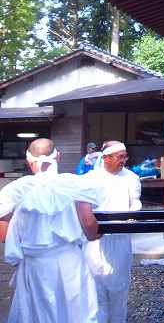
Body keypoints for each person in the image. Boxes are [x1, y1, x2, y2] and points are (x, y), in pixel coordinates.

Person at [0, 138, 105, 322]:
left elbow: (3, 234)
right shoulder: (75, 184)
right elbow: (89, 224)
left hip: (34, 263)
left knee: (36, 313)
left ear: (28, 161)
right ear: (58, 156)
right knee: (75, 312)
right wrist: (95, 235)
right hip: (69, 259)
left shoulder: (15, 189)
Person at [84, 140, 141, 323]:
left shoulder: (131, 177)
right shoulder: (91, 179)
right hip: (96, 239)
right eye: (120, 156)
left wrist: (132, 215)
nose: (123, 160)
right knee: (95, 287)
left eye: (125, 156)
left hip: (120, 237)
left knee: (120, 286)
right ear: (106, 157)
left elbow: (136, 202)